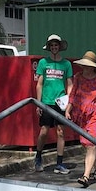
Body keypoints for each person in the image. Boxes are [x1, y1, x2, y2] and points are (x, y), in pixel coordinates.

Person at [65, 51, 96, 188]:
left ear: (93, 67)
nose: (85, 68)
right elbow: (72, 96)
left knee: (90, 143)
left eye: (88, 65)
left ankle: (86, 176)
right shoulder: (78, 77)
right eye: (84, 65)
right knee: (87, 144)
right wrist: (68, 110)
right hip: (80, 115)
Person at [35, 34, 72, 174]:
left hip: (60, 102)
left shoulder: (66, 64)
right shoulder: (43, 63)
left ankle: (59, 163)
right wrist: (38, 103)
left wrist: (69, 102)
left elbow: (70, 84)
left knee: (61, 132)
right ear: (49, 47)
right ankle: (38, 157)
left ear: (60, 47)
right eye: (52, 45)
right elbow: (39, 84)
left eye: (56, 45)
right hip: (46, 102)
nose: (54, 47)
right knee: (44, 131)